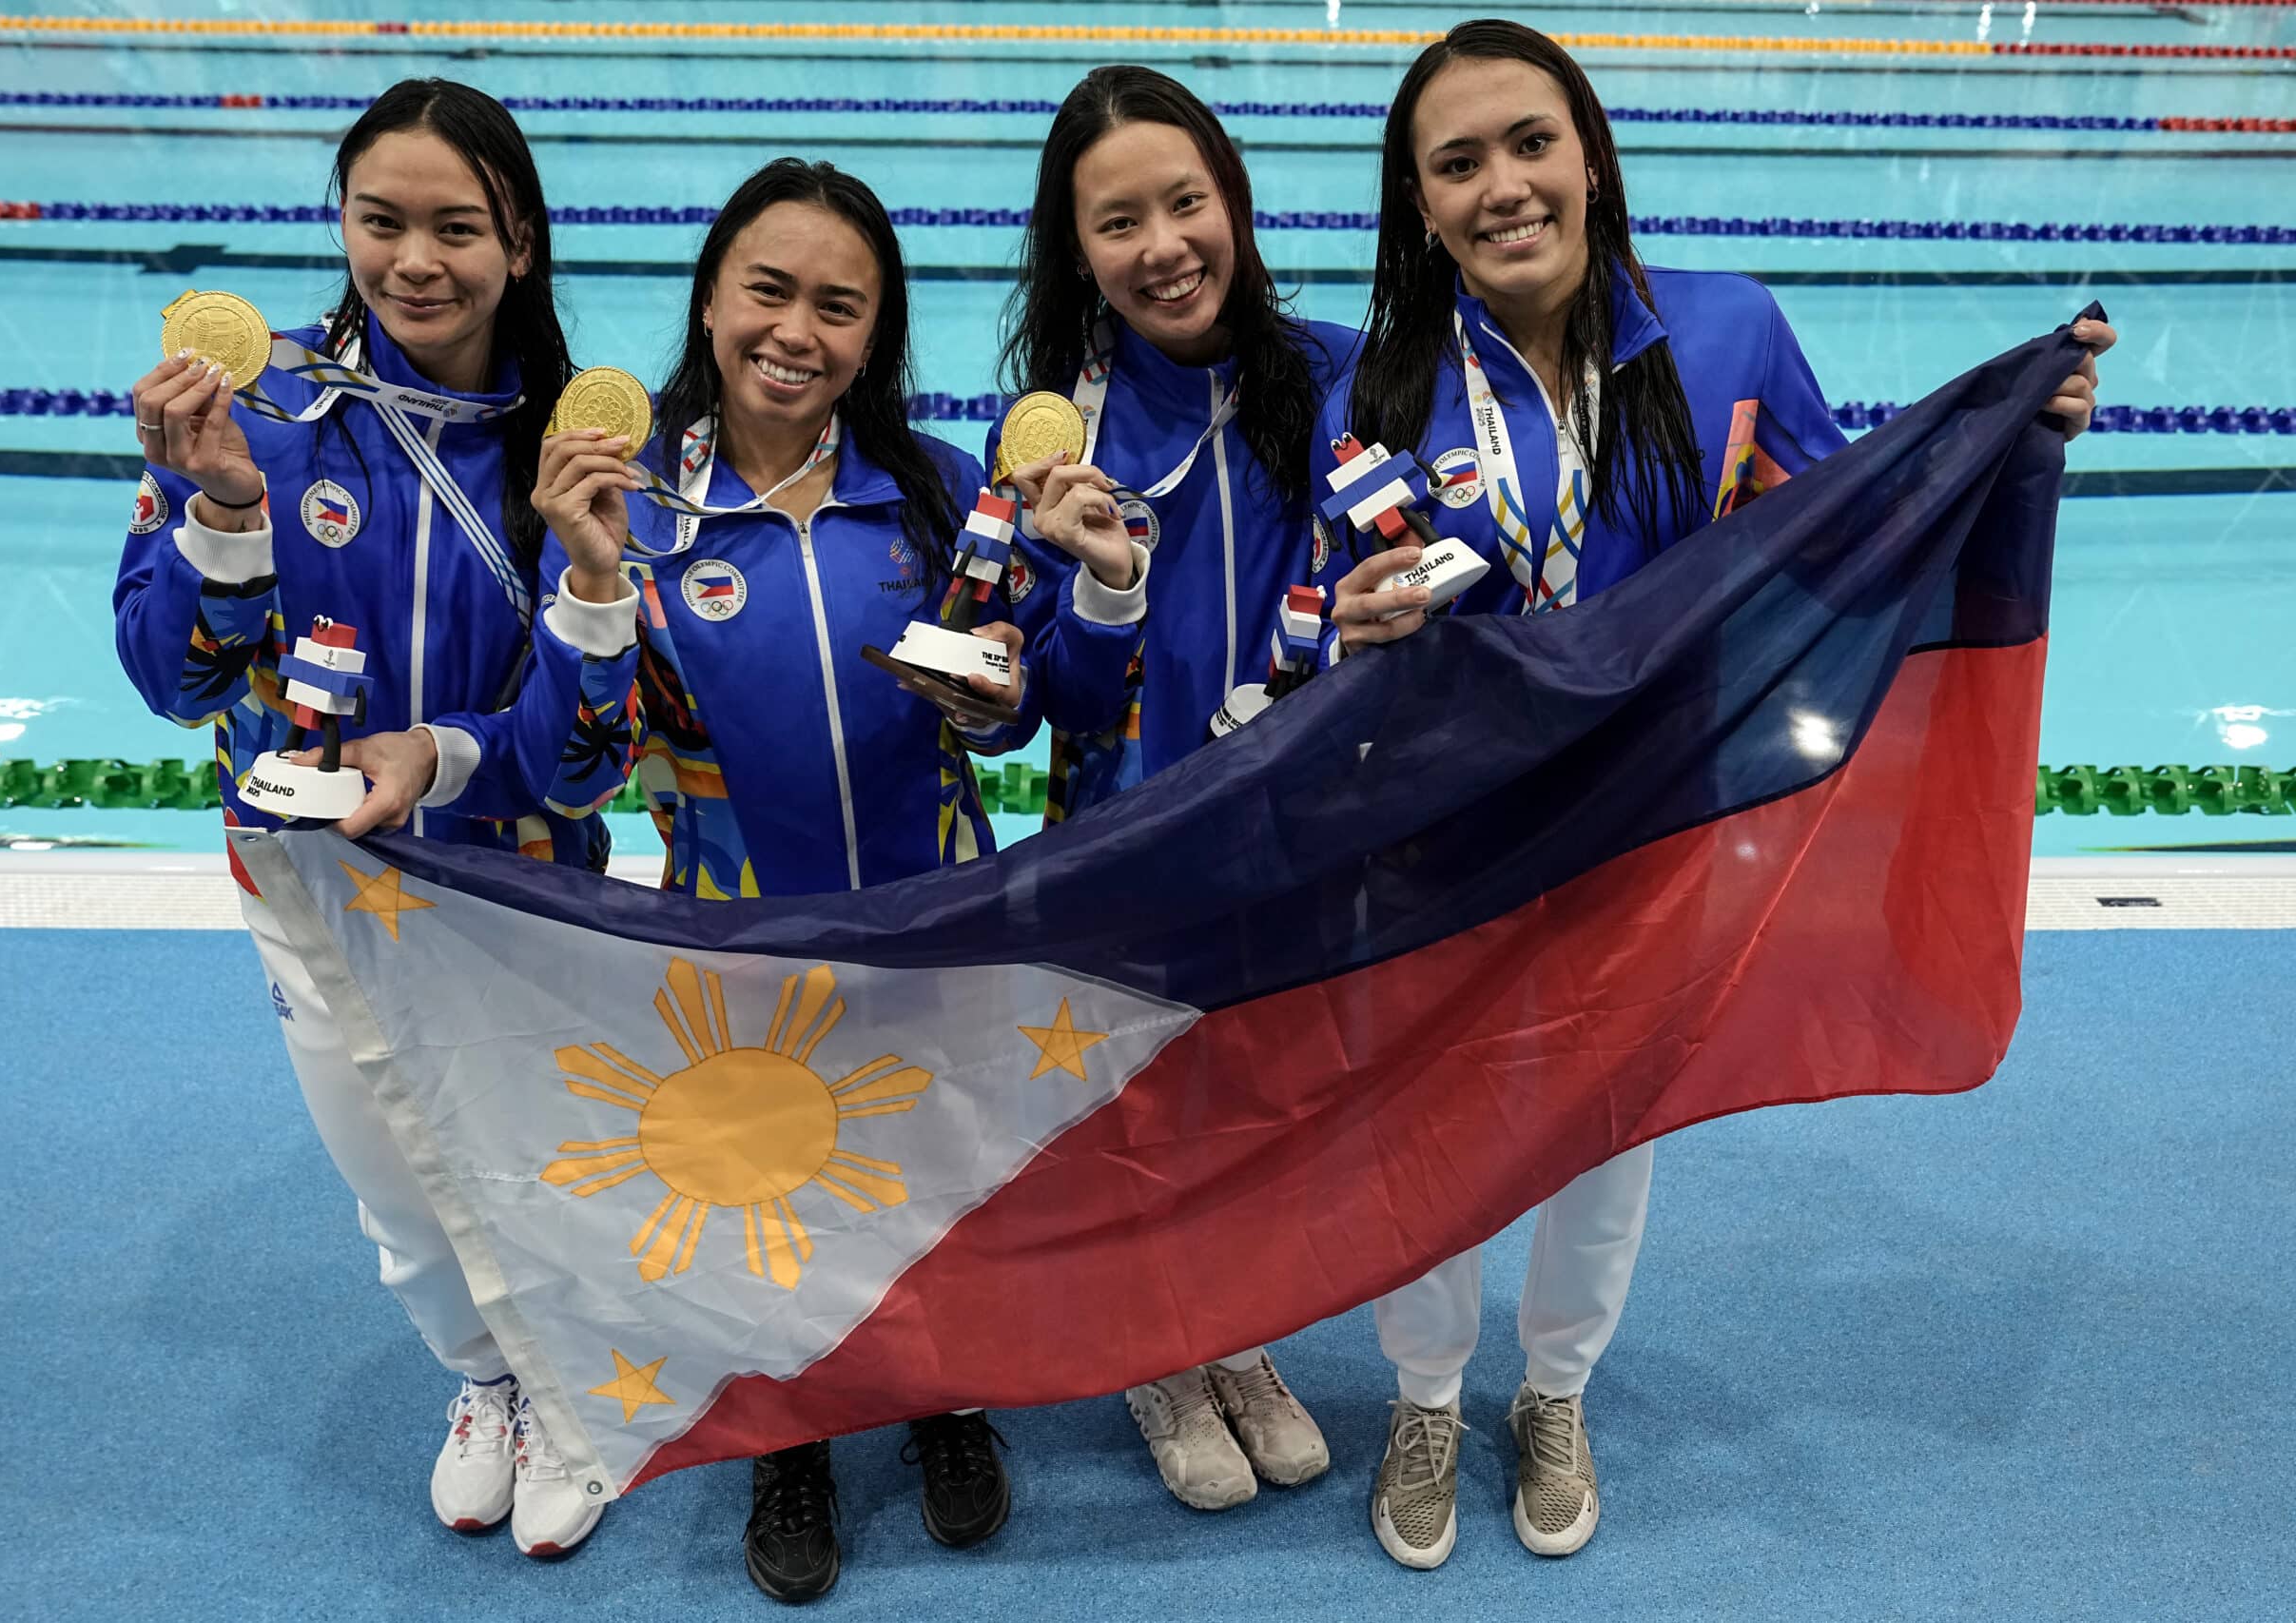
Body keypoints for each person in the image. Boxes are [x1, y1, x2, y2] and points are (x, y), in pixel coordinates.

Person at [1312, 18, 2114, 1573]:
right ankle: (1424, 1396)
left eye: (1530, 143)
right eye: (1458, 163)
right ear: (1419, 204)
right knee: (1420, 1125)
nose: (1504, 186)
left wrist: (2008, 451)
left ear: (1590, 154)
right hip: (1434, 829)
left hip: (1645, 831)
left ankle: (1552, 1392)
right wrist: (1336, 621)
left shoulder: (1730, 333)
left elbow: (1848, 532)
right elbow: (1299, 609)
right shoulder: (1378, 379)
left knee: (1611, 1129)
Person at [378, 157, 1142, 1603]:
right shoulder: (634, 506)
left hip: (938, 918)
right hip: (736, 942)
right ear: (712, 298)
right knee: (773, 1194)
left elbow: (1040, 699)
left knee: (940, 1171)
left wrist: (1092, 588)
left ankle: (943, 1395)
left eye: (839, 307)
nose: (798, 331)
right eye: (769, 291)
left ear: (876, 332)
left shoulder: (932, 496)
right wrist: (590, 585)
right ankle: (787, 1435)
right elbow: (578, 766)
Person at [110, 78, 614, 1558]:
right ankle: (487, 1382)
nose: (414, 260)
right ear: (340, 225)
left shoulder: (567, 449)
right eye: (379, 220)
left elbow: (583, 756)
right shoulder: (256, 415)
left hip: (514, 879)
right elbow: (164, 678)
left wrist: (442, 753)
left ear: (519, 240)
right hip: (311, 880)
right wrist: (221, 514)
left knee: (537, 1154)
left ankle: (575, 1394)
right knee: (394, 1179)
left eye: (456, 226)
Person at [991, 62, 1356, 1517]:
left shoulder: (1337, 375)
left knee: (1261, 1096)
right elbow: (1054, 712)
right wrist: (1103, 583)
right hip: (1119, 835)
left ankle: (1238, 1327)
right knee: (1130, 1100)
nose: (1164, 245)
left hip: (1290, 830)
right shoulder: (1055, 440)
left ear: (1235, 201)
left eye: (1185, 201)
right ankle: (1158, 1348)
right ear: (1076, 249)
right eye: (1118, 220)